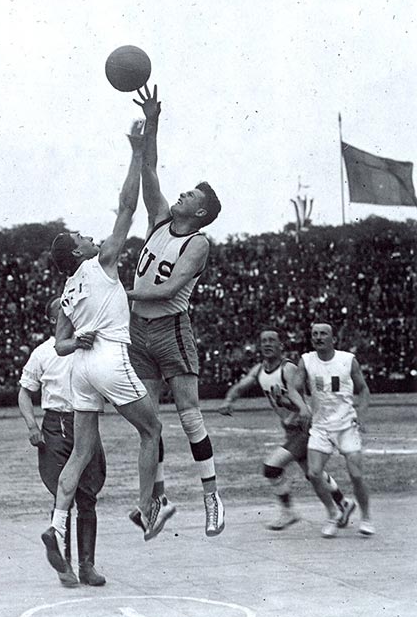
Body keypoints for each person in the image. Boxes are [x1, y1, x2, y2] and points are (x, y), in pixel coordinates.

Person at [41, 119, 170, 580]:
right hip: (112, 358)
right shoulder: (100, 263)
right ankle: (145, 509)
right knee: (152, 430)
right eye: (82, 237)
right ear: (76, 251)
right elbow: (126, 206)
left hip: (80, 368)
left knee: (79, 453)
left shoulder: (66, 292)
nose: (90, 237)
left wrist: (77, 339)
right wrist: (137, 153)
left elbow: (58, 345)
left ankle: (56, 528)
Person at [126, 84, 224, 538]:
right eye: (183, 192)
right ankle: (157, 499)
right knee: (148, 419)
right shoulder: (160, 220)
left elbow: (170, 289)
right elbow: (149, 168)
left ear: (201, 214)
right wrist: (152, 124)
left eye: (190, 197)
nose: (181, 195)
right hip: (140, 333)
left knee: (188, 413)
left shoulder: (198, 242)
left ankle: (211, 495)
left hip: (170, 329)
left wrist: (122, 295)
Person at [218, 327, 356, 530]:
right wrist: (229, 400)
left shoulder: (288, 369)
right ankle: (343, 503)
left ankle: (288, 512)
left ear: (281, 345)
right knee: (312, 474)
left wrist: (288, 406)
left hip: (304, 427)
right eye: (264, 340)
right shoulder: (258, 370)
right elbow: (240, 386)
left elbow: (301, 402)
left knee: (271, 467)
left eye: (272, 340)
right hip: (291, 430)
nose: (267, 344)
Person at [19, 297, 107, 587]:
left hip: (86, 422)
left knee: (88, 497)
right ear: (51, 319)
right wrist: (32, 425)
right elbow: (24, 393)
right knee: (62, 496)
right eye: (61, 312)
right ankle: (64, 565)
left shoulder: (89, 345)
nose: (68, 315)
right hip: (55, 425)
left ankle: (87, 566)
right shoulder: (43, 352)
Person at [294, 322, 374, 538]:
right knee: (313, 473)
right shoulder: (307, 360)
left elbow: (364, 390)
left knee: (356, 475)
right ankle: (333, 513)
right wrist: (302, 407)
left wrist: (361, 415)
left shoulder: (347, 360)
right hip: (321, 427)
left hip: (346, 425)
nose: (318, 337)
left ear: (332, 339)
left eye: (323, 334)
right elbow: (295, 386)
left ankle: (366, 518)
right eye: (315, 334)